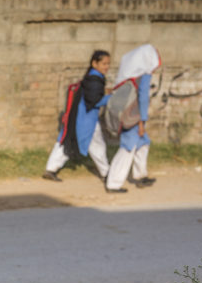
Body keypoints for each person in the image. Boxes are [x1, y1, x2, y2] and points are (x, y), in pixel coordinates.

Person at [43, 50, 111, 183]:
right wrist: (112, 98)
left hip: (76, 118)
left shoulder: (91, 77)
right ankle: (107, 173)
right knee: (97, 147)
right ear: (94, 63)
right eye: (104, 63)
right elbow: (95, 101)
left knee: (66, 142)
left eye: (108, 64)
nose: (106, 67)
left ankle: (50, 169)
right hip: (87, 120)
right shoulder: (95, 80)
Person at [105, 44, 161, 193]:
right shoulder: (144, 75)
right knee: (127, 148)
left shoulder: (127, 74)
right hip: (133, 118)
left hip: (126, 114)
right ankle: (113, 183)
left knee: (143, 143)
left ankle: (140, 176)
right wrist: (142, 122)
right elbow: (143, 98)